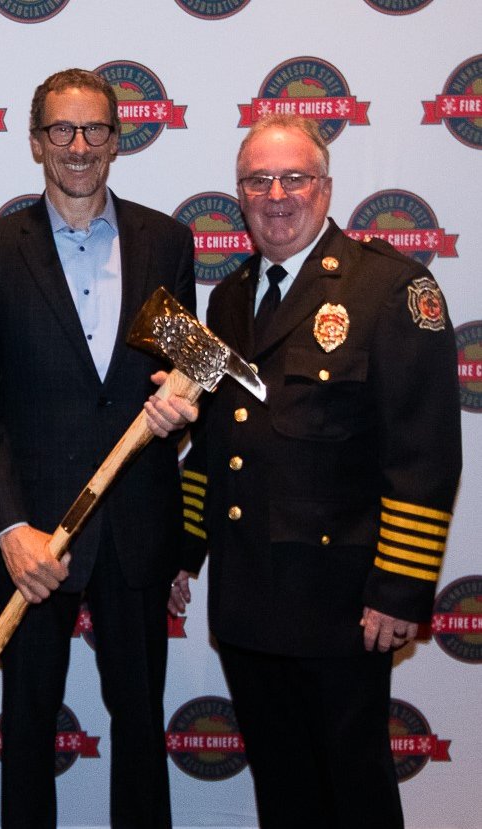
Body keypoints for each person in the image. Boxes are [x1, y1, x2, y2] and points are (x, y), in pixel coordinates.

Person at [180, 113, 462, 828]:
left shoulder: (391, 290)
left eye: (294, 178)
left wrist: (399, 586)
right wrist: (182, 550)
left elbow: (424, 452)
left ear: (326, 187)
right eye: (257, 180)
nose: (276, 195)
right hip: (248, 597)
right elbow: (218, 439)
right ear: (238, 194)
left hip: (342, 604)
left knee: (354, 787)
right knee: (284, 790)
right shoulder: (229, 297)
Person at [0, 69, 198, 828]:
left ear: (118, 141)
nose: (79, 146)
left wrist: (188, 400)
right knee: (26, 726)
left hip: (137, 529)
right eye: (62, 130)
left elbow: (191, 366)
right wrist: (8, 529)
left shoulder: (167, 240)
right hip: (34, 537)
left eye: (95, 130)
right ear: (35, 142)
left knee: (141, 726)